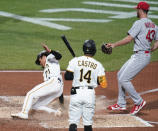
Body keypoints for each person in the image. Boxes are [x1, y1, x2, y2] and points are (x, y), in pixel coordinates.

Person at [106, 1, 158, 115]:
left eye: (137, 9)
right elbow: (157, 42)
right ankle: (121, 104)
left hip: (140, 56)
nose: (136, 11)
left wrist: (114, 45)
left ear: (140, 10)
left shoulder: (139, 23)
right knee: (120, 75)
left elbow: (129, 39)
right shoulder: (154, 25)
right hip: (142, 55)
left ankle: (138, 101)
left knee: (124, 79)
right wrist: (150, 50)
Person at [11, 43, 63, 119]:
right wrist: (61, 100)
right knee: (36, 106)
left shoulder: (50, 58)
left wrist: (49, 50)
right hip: (57, 87)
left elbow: (59, 56)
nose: (40, 63)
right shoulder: (46, 70)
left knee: (30, 94)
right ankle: (56, 113)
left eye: (40, 60)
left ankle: (24, 113)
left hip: (54, 82)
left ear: (44, 56)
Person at [65, 40, 107, 131]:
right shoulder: (98, 65)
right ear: (94, 51)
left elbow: (67, 76)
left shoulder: (75, 61)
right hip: (89, 94)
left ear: (84, 49)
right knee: (88, 124)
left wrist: (77, 72)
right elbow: (103, 84)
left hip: (76, 93)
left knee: (73, 123)